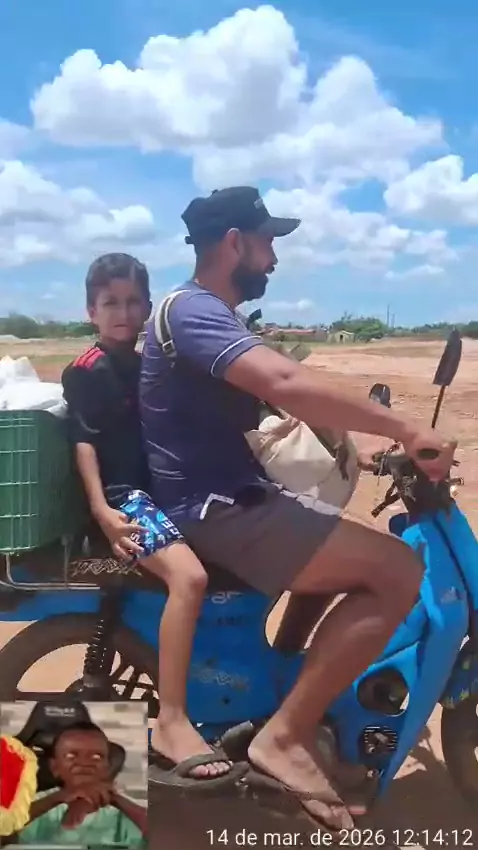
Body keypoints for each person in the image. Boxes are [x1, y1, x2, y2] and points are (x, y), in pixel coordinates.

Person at [139, 187, 457, 830]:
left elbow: (280, 407)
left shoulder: (215, 315)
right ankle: (284, 737)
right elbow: (287, 384)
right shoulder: (193, 310)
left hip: (232, 492)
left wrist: (366, 448)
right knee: (397, 572)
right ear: (235, 244)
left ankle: (285, 694)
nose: (275, 259)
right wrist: (405, 429)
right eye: (268, 243)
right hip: (216, 506)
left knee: (343, 538)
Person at [61, 253, 232, 780]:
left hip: (158, 491)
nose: (123, 312)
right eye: (110, 302)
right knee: (190, 578)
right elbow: (84, 444)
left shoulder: (145, 363)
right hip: (123, 499)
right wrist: (103, 512)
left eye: (133, 301)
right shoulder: (87, 370)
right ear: (91, 311)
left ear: (148, 308)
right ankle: (172, 720)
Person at [12, 722, 147, 846]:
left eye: (96, 757)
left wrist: (114, 798)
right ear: (55, 767)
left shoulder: (124, 812)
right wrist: (59, 797)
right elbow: (5, 833)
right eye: (71, 756)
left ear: (107, 767)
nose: (84, 763)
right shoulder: (29, 804)